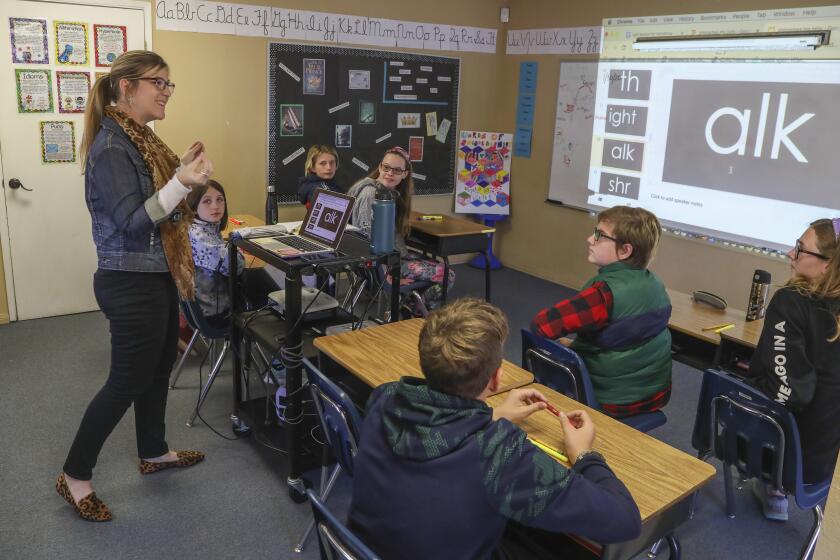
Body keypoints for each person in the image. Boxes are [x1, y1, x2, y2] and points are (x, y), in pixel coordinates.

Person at [348, 298, 641, 559]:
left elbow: (439, 434)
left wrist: (491, 416)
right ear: (497, 378)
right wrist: (585, 456)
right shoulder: (498, 452)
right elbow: (625, 520)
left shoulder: (386, 397)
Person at [57, 50, 210, 522]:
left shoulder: (142, 139)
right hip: (128, 281)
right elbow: (131, 221)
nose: (166, 91)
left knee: (159, 366)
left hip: (156, 275)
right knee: (125, 381)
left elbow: (156, 202)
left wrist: (179, 172)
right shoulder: (112, 146)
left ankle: (153, 451)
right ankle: (74, 476)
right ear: (126, 87)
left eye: (169, 83)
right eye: (157, 82)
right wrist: (181, 182)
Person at [530, 206, 672, 418]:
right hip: (654, 394)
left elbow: (541, 326)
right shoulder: (657, 286)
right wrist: (577, 345)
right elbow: (622, 338)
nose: (589, 239)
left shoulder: (602, 294)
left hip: (610, 399)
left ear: (625, 251)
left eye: (599, 235)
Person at [745, 218, 840, 520]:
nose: (789, 253)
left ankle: (774, 485)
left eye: (801, 249)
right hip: (830, 465)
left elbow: (790, 393)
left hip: (793, 458)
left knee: (728, 390)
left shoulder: (791, 302)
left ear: (827, 265)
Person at [347, 146, 454, 312]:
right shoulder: (371, 194)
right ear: (380, 167)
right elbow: (367, 239)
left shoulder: (385, 192)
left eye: (397, 170)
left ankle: (411, 303)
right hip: (385, 264)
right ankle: (412, 308)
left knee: (433, 262)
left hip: (390, 258)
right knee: (448, 274)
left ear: (405, 174)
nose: (390, 173)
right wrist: (387, 275)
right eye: (386, 167)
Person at [186, 180, 244, 328]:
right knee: (265, 285)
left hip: (205, 306)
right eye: (207, 201)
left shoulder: (200, 228)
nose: (215, 206)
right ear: (193, 208)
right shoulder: (200, 236)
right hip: (213, 313)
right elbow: (235, 267)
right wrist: (237, 251)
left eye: (220, 199)